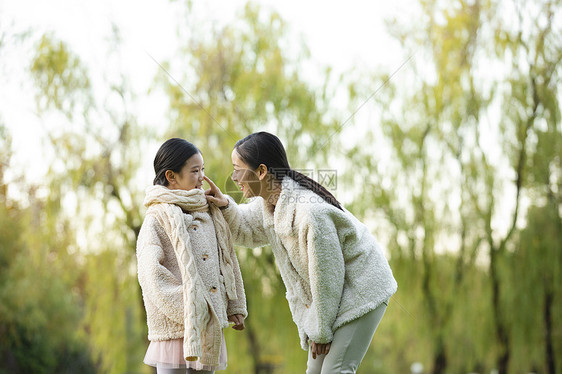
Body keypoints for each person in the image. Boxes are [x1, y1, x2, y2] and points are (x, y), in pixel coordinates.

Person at [204, 132, 397, 374]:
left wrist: (321, 330)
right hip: (333, 296)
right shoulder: (271, 204)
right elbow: (245, 228)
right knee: (314, 370)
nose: (233, 178)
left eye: (237, 169)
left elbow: (327, 278)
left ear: (261, 171)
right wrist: (223, 204)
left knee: (335, 370)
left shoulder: (309, 214)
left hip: (361, 289)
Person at [136, 138, 247, 374]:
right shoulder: (156, 218)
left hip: (208, 327)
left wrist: (235, 304)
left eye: (203, 170)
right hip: (175, 328)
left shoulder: (209, 212)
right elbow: (151, 274)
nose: (202, 177)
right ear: (171, 176)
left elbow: (227, 258)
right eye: (194, 171)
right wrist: (190, 306)